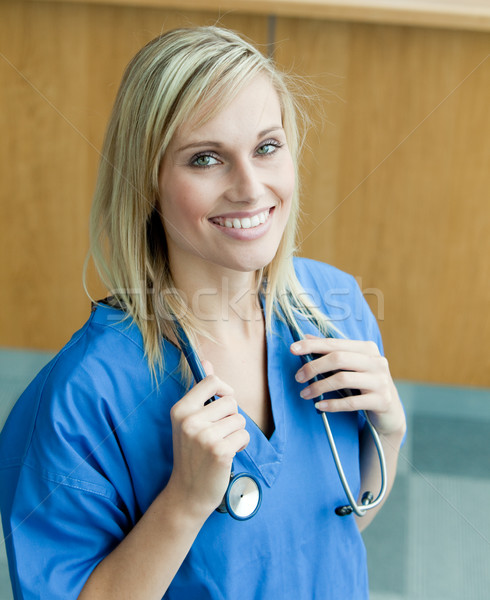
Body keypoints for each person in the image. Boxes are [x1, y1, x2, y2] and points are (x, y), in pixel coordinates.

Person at [0, 26, 406, 599]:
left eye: (267, 147)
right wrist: (185, 502)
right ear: (146, 182)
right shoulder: (82, 398)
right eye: (206, 158)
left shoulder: (333, 309)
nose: (249, 187)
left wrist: (388, 432)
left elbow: (331, 530)